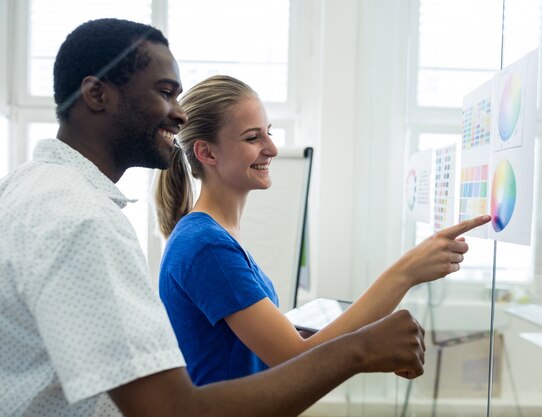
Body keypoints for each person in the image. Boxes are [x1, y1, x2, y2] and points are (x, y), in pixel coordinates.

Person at [0, 18, 434, 417]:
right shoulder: (86, 220)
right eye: (165, 92)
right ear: (97, 94)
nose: (180, 112)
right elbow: (168, 411)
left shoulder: (31, 188)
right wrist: (363, 344)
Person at [154, 75, 491, 385]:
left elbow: (284, 350)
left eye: (268, 132)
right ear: (206, 152)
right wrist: (406, 272)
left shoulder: (211, 236)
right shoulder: (206, 245)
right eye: (253, 137)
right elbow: (297, 361)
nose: (271, 148)